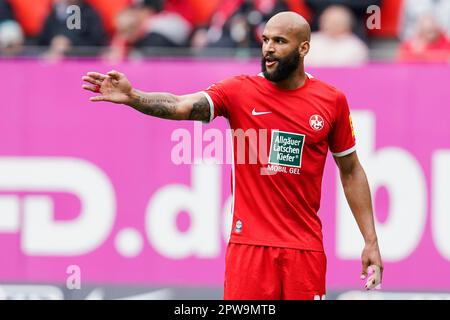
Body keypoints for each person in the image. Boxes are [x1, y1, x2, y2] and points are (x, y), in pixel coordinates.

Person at [82, 11, 383, 300]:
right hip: (248, 248)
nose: (268, 49)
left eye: (279, 41)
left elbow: (351, 170)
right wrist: (135, 98)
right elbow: (181, 105)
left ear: (303, 47)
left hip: (304, 250)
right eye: (265, 40)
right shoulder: (239, 91)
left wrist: (370, 240)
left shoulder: (331, 101)